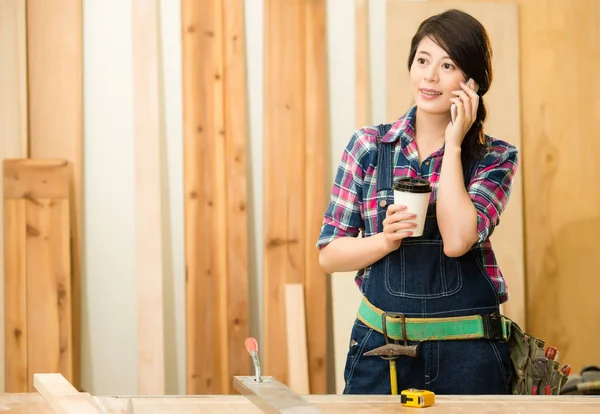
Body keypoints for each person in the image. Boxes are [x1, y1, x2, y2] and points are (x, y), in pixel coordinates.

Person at [317, 9, 519, 395]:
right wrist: (385, 240)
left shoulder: (494, 158)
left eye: (448, 65)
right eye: (423, 61)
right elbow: (329, 255)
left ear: (472, 83)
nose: (429, 76)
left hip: (469, 354)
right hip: (382, 350)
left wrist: (455, 146)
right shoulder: (369, 147)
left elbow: (458, 240)